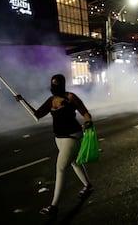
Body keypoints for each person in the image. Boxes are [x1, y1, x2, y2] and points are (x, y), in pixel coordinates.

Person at [15, 73, 94, 215]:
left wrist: (87, 123)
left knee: (60, 168)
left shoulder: (71, 97)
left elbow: (86, 114)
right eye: (53, 83)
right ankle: (88, 185)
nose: (54, 86)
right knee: (74, 162)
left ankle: (54, 206)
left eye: (56, 83)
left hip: (72, 136)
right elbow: (37, 115)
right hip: (59, 138)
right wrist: (22, 101)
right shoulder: (51, 100)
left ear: (62, 84)